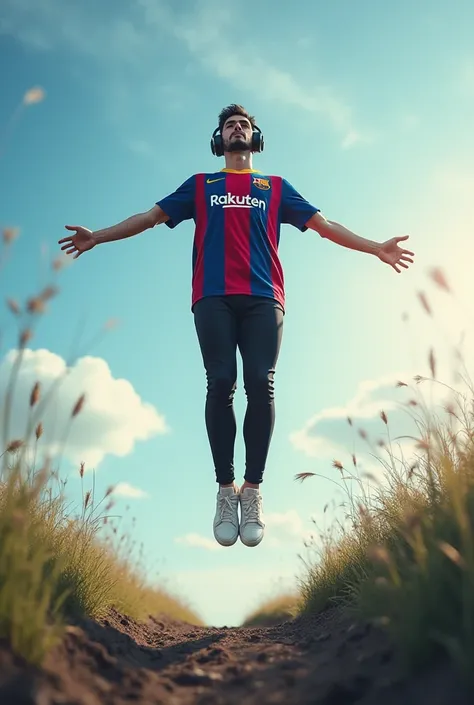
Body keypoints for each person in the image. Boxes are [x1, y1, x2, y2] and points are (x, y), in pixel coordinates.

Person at [58, 104, 415, 549]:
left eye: (244, 125)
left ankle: (253, 490)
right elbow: (148, 218)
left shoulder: (276, 187)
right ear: (218, 140)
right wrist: (98, 236)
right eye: (229, 126)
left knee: (261, 383)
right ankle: (225, 491)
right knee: (221, 380)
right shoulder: (201, 185)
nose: (237, 130)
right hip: (212, 297)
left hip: (265, 298)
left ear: (255, 137)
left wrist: (375, 247)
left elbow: (325, 227)